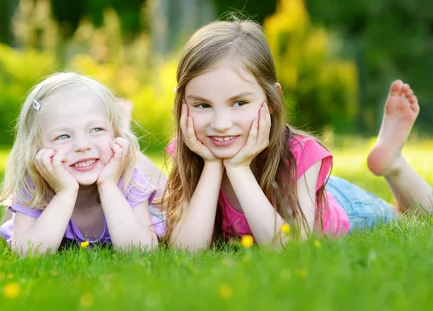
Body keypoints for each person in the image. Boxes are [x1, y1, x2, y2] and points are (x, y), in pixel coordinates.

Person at [164, 20, 432, 251]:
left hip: (342, 204)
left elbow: (288, 247)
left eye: (239, 103)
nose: (221, 124)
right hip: (309, 189)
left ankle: (392, 164)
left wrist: (238, 167)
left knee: (411, 216)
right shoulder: (190, 152)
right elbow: (186, 249)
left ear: (270, 100)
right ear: (182, 105)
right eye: (202, 105)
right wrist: (212, 165)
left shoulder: (299, 153)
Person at [0, 72, 162, 255]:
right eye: (63, 136)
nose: (82, 146)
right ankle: (14, 213)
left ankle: (125, 129)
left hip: (144, 189)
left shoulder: (129, 179)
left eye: (96, 129)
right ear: (36, 147)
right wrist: (65, 192)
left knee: (167, 194)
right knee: (11, 223)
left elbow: (142, 250)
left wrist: (109, 185)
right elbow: (28, 253)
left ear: (115, 135)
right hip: (41, 190)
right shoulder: (34, 182)